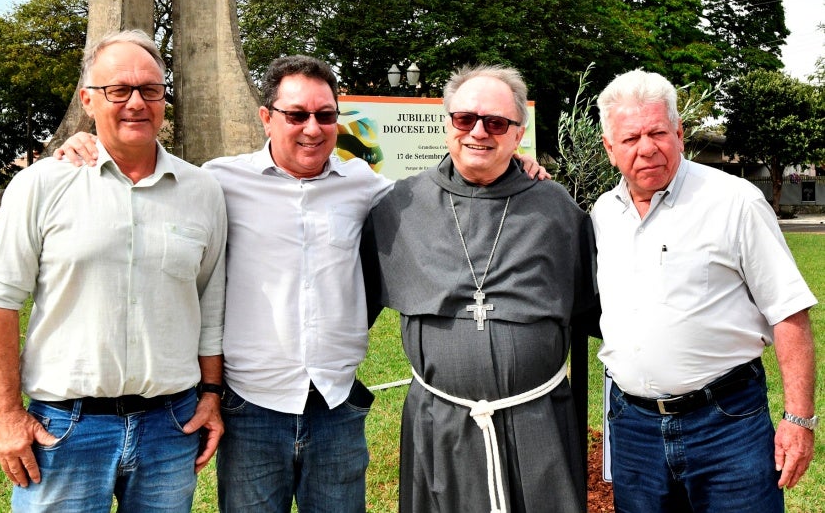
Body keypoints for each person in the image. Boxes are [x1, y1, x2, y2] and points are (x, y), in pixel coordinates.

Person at [57, 55, 546, 513]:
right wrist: (87, 142)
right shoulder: (216, 182)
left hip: (336, 406)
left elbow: (441, 193)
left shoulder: (365, 186)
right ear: (266, 118)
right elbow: (146, 175)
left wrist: (514, 166)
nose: (312, 128)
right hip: (250, 407)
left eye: (325, 115)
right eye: (296, 115)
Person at [0, 29, 227, 512]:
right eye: (119, 90)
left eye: (150, 90)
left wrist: (211, 394)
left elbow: (210, 304)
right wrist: (6, 414)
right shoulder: (41, 185)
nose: (136, 103)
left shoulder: (202, 191)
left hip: (171, 425)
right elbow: (0, 301)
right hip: (65, 429)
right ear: (88, 100)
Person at [362, 64, 599, 513]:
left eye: (495, 123)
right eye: (465, 118)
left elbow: (597, 307)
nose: (478, 132)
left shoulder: (555, 208)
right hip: (439, 423)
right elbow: (351, 303)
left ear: (518, 134)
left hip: (538, 423)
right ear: (447, 123)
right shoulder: (400, 206)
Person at [591, 69, 818, 513]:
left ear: (679, 133)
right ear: (609, 148)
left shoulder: (735, 201)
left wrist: (799, 419)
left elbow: (789, 311)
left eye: (658, 132)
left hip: (726, 425)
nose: (646, 148)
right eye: (631, 138)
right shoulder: (603, 213)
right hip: (633, 429)